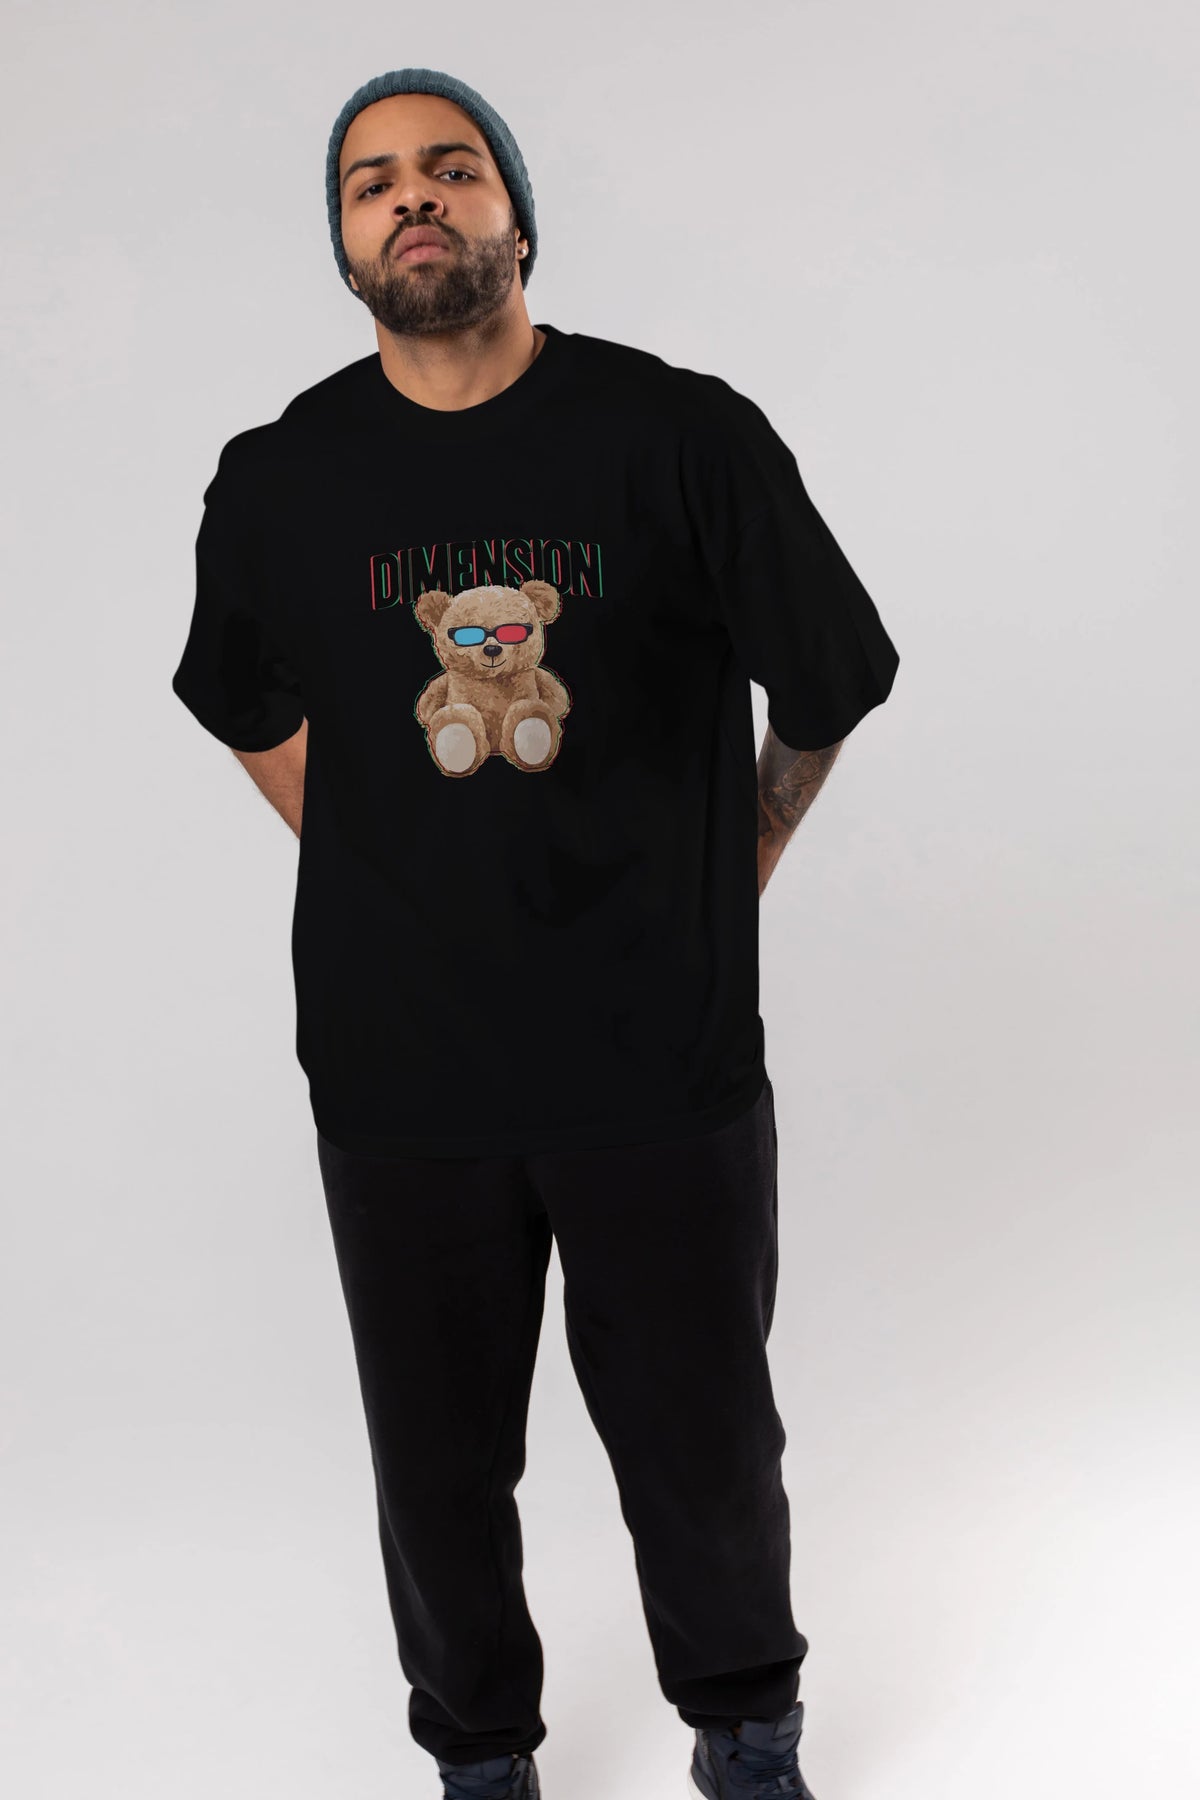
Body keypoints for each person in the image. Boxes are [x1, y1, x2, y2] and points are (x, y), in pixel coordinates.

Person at [170, 65, 899, 1800]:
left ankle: (747, 1729)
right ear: (345, 243)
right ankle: (481, 1756)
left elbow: (830, 676)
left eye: (452, 167)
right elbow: (243, 702)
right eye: (372, 183)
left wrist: (743, 857)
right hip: (401, 1070)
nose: (413, 197)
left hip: (660, 1056)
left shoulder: (681, 436)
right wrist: (383, 853)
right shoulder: (280, 478)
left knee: (703, 1441)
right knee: (435, 1467)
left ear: (516, 214)